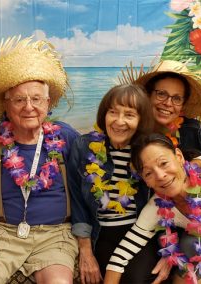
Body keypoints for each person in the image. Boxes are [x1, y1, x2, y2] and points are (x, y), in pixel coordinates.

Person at [0, 36, 79, 284]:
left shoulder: (66, 137)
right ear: (6, 104)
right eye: (19, 99)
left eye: (36, 99)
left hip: (54, 236)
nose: (29, 107)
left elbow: (90, 186)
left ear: (47, 103)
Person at [104, 133, 201, 284]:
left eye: (163, 163)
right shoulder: (157, 207)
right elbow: (121, 256)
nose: (160, 175)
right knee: (191, 245)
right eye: (148, 173)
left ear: (178, 156)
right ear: (146, 181)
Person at [68, 84, 171, 284]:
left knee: (140, 279)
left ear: (141, 120)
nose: (119, 121)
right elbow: (77, 201)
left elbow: (168, 198)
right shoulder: (83, 147)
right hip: (101, 232)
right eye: (113, 112)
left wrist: (169, 250)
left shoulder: (148, 151)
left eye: (129, 115)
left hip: (139, 231)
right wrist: (85, 250)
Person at [123, 60, 201, 172]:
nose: (167, 103)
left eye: (176, 98)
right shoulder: (130, 128)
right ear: (147, 96)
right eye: (161, 94)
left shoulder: (195, 129)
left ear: (183, 104)